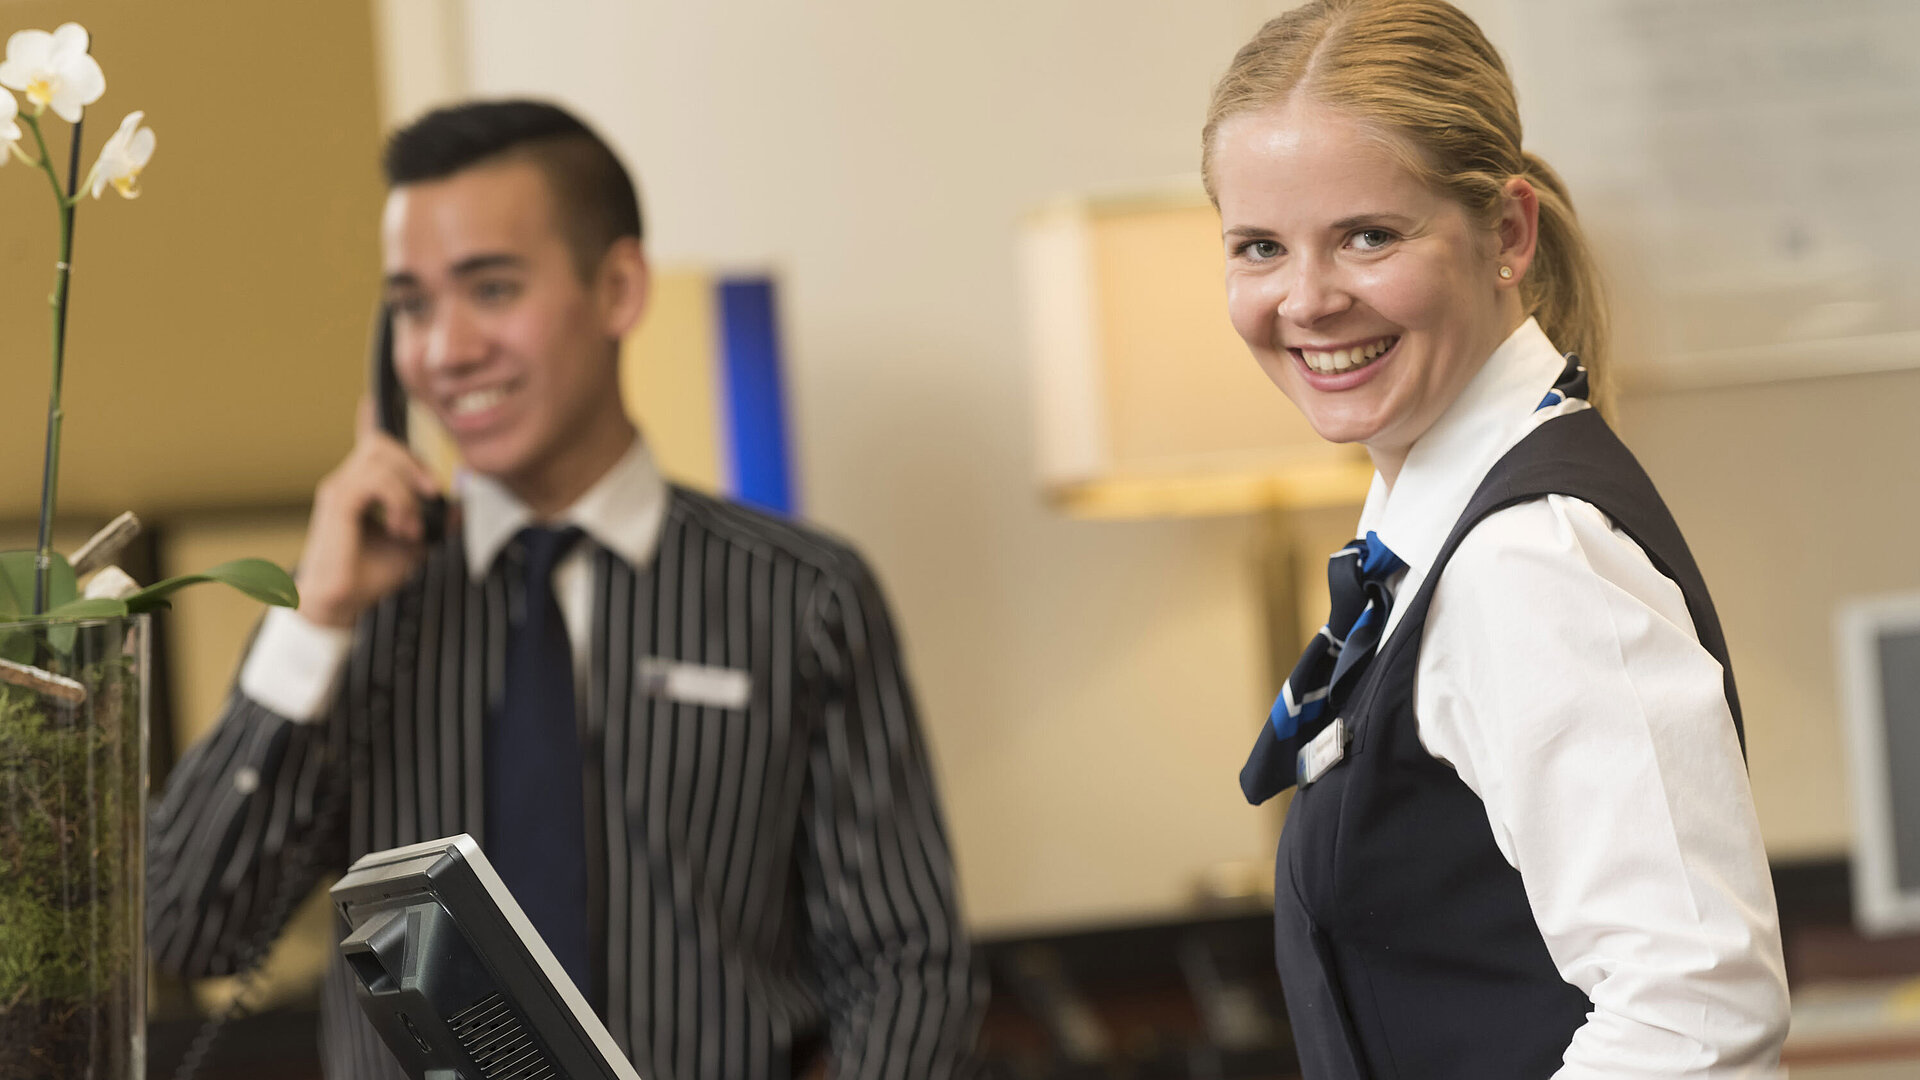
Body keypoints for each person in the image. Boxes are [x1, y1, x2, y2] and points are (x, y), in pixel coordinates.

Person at [149, 100, 982, 1080]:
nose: (445, 349)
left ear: (619, 288)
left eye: (491, 289)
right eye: (412, 306)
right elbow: (184, 931)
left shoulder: (804, 597)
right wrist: (318, 620)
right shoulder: (356, 612)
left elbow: (903, 966)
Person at [1203, 2, 1789, 1076]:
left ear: (1507, 233)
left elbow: (1695, 1011)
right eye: (1260, 248)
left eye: (1369, 236)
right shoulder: (1432, 529)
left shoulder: (1531, 561)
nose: (1308, 299)